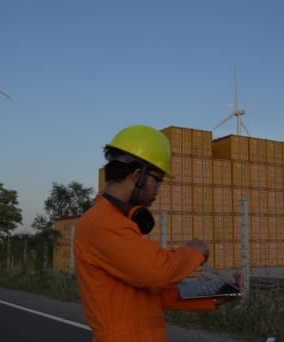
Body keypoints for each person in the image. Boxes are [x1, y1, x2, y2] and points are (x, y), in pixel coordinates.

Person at [74, 124, 241, 342]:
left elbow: (155, 293)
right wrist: (194, 251)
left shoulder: (117, 224)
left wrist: (218, 294)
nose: (157, 190)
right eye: (158, 180)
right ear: (137, 175)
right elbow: (157, 271)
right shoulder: (102, 223)